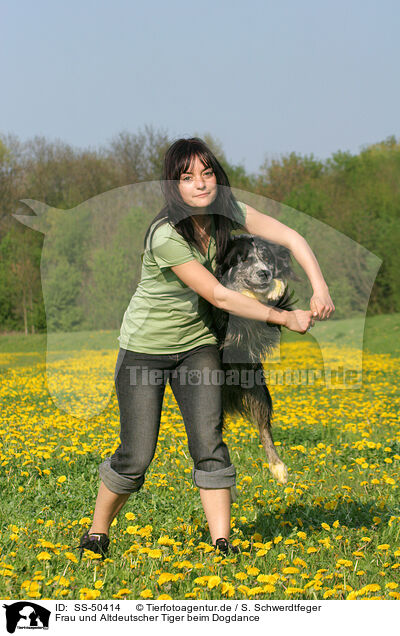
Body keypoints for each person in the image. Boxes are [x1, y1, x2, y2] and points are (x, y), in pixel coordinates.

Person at [78, 137, 335, 558]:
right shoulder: (165, 235)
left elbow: (290, 235)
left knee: (209, 443)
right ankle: (97, 532)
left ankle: (222, 544)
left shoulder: (227, 213)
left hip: (197, 344)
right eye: (187, 177)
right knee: (137, 454)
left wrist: (320, 287)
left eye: (207, 173)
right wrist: (285, 317)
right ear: (173, 185)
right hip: (145, 349)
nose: (200, 184)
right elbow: (218, 295)